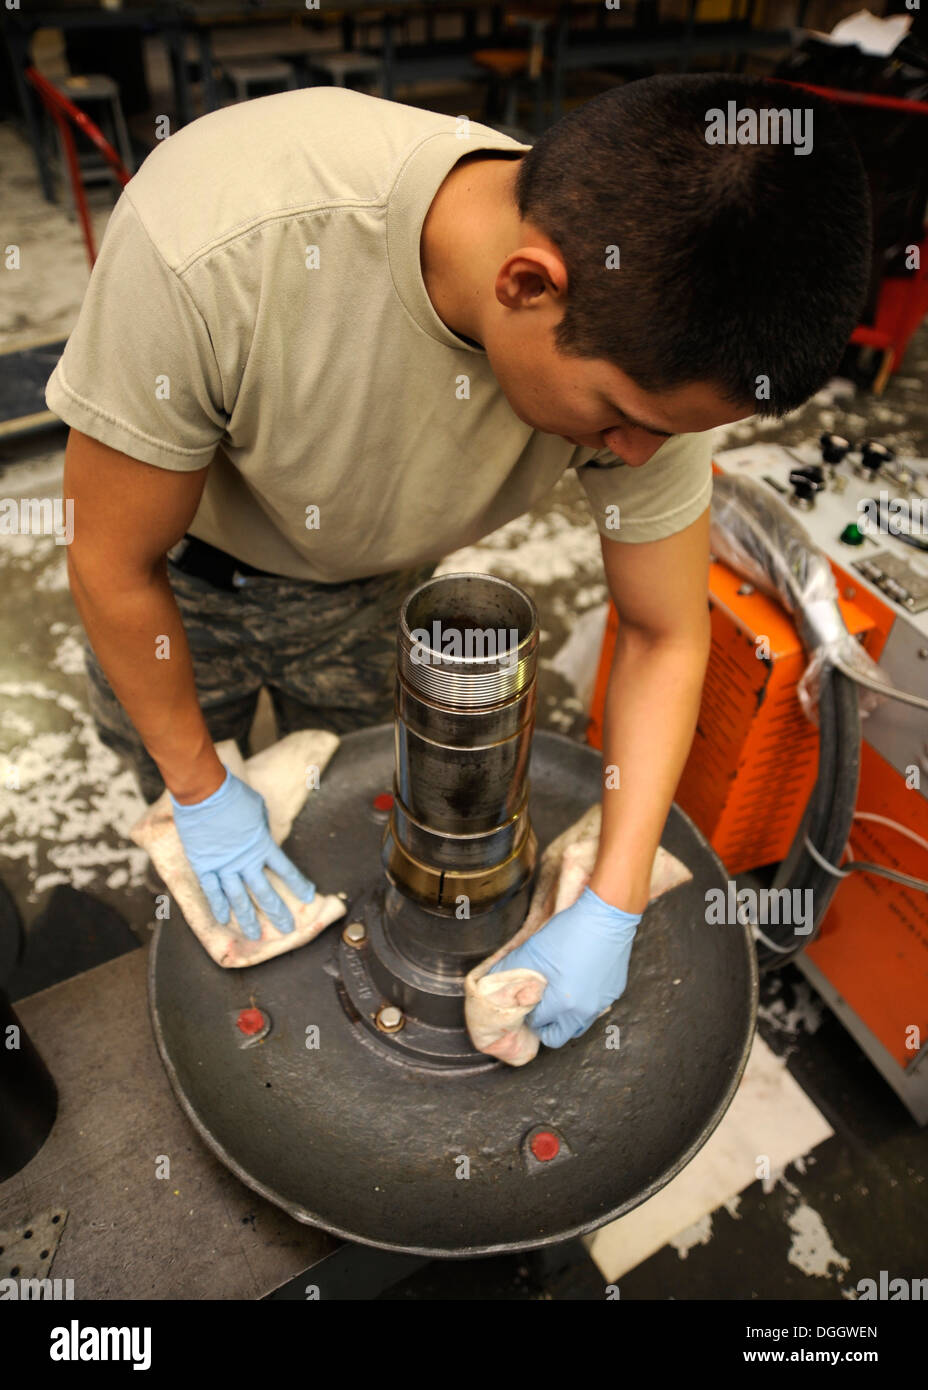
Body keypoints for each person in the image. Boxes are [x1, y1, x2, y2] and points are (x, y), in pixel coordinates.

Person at [47, 72, 870, 1046]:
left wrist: (610, 900)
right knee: (203, 870)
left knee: (358, 827)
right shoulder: (219, 241)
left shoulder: (655, 336)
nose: (634, 457)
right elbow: (110, 563)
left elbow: (661, 632)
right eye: (621, 424)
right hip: (177, 590)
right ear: (527, 284)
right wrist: (196, 786)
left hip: (373, 591)